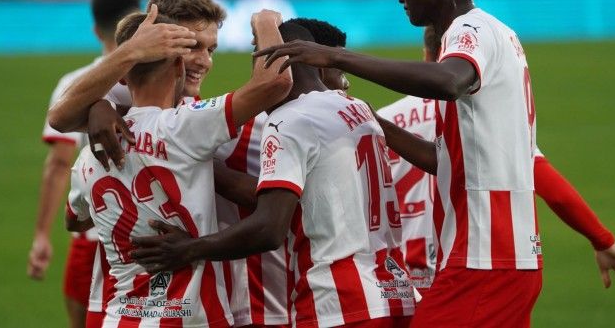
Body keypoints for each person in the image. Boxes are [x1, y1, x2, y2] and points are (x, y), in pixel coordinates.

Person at [254, 0, 543, 327]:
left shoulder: (467, 29)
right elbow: (443, 161)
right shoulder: (504, 35)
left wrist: (337, 56)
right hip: (508, 251)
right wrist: (371, 120)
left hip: (483, 253)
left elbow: (446, 81)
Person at [130, 22, 416, 328]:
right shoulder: (358, 110)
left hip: (338, 301)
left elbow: (269, 227)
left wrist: (188, 249)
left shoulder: (290, 121)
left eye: (259, 59)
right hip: (394, 291)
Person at [65, 8, 292, 327]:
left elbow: (74, 221)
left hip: (121, 316)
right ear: (178, 66)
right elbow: (276, 81)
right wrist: (265, 22)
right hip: (190, 316)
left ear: (123, 76)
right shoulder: (185, 127)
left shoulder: (93, 149)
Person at [377, 26, 615, 296]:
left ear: (425, 56)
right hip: (463, 268)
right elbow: (551, 187)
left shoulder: (387, 120)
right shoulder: (483, 122)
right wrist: (602, 239)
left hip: (401, 281)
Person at [50, 0, 235, 326]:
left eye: (211, 49)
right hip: (123, 294)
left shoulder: (191, 110)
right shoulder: (120, 93)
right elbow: (59, 118)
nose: (205, 61)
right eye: (193, 46)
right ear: (159, 39)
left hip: (188, 296)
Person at [212, 17, 349, 328]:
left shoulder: (349, 120)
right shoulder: (239, 126)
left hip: (312, 302)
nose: (345, 83)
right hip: (265, 308)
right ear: (315, 65)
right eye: (340, 71)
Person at [27, 0, 141, 328]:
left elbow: (60, 163)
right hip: (150, 235)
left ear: (96, 29)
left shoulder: (74, 84)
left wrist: (42, 235)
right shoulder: (162, 76)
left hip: (93, 235)